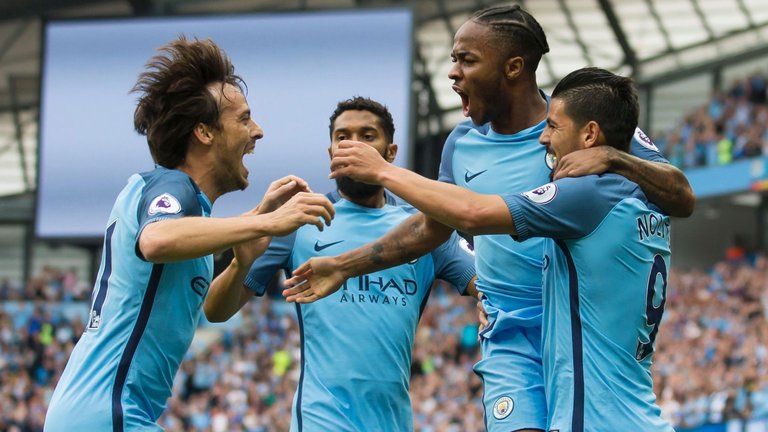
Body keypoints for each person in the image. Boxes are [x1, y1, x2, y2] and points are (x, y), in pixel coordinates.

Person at [282, 5, 693, 432]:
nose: (453, 73)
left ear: (513, 67)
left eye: (467, 59)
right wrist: (346, 265)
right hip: (510, 335)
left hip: (574, 326)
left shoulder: (574, 126)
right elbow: (431, 227)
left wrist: (615, 158)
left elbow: (679, 194)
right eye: (454, 60)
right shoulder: (461, 143)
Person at [44, 37, 334, 431]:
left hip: (109, 413)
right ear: (204, 132)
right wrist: (267, 222)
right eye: (244, 118)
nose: (258, 130)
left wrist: (242, 261)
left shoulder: (193, 215)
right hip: (108, 412)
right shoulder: (169, 186)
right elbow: (156, 240)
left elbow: (215, 311)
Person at [203, 96, 477, 432]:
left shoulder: (427, 229)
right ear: (331, 154)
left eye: (367, 136)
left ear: (390, 153)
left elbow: (491, 284)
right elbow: (216, 311)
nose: (353, 146)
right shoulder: (299, 222)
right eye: (342, 137)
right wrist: (238, 265)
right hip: (321, 421)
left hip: (394, 423)